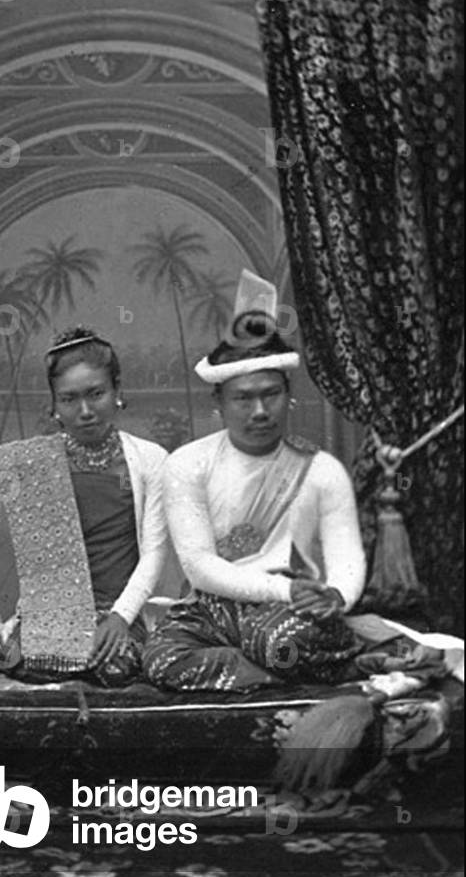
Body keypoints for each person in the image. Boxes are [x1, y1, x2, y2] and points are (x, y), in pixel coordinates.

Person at [142, 272, 368, 692]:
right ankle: (274, 676)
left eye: (271, 394)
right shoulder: (187, 464)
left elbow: (346, 558)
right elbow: (200, 566)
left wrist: (334, 596)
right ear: (220, 404)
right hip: (214, 606)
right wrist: (281, 590)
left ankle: (269, 664)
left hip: (291, 611)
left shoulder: (321, 469)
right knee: (159, 659)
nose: (260, 411)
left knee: (281, 642)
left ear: (288, 394)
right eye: (243, 398)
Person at [0, 326, 171, 687]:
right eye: (70, 399)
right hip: (54, 610)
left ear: (117, 392)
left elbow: (154, 554)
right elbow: (40, 568)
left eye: (96, 394)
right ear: (54, 404)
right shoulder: (35, 465)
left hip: (119, 610)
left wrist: (121, 617)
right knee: (21, 660)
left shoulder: (150, 461)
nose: (86, 411)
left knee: (113, 666)